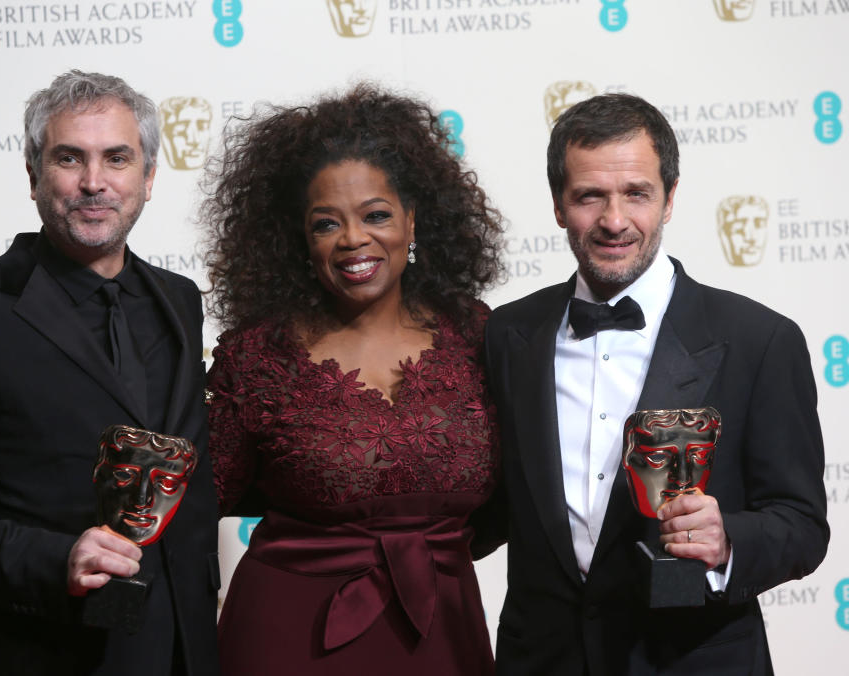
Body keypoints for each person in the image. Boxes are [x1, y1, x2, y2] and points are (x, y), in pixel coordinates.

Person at [0, 70, 219, 676]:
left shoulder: (180, 301)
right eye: (69, 158)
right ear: (33, 173)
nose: (94, 183)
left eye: (117, 158)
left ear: (147, 178)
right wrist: (56, 560)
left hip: (184, 647)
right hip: (43, 651)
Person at [484, 93, 828, 675]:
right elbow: (485, 505)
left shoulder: (759, 339)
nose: (614, 220)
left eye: (636, 194)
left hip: (693, 660)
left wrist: (727, 542)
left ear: (670, 199)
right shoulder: (508, 334)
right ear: (558, 205)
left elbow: (801, 524)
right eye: (590, 196)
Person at [201, 83, 506, 675]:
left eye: (376, 215)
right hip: (290, 635)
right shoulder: (258, 357)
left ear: (413, 221)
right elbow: (198, 504)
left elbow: (519, 498)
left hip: (444, 629)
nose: (353, 240)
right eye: (325, 224)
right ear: (300, 242)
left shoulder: (480, 337)